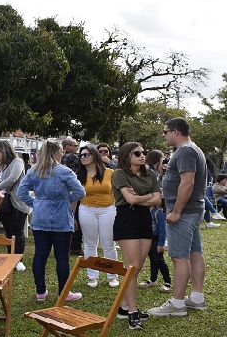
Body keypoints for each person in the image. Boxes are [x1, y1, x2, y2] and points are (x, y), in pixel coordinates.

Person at [148, 118, 208, 318]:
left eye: (165, 131)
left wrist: (176, 211)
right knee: (195, 253)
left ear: (175, 131)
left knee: (179, 257)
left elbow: (187, 183)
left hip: (184, 212)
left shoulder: (185, 151)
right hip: (192, 210)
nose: (163, 135)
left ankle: (177, 304)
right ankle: (197, 298)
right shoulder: (192, 149)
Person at [17, 141, 86, 303]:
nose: (62, 154)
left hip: (41, 217)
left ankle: (40, 291)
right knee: (62, 257)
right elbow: (80, 191)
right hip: (61, 217)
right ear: (56, 153)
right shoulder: (64, 171)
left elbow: (22, 193)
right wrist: (66, 200)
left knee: (40, 255)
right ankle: (64, 292)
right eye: (61, 151)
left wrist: (37, 203)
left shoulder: (34, 171)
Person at [112, 142, 162, 329]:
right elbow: (131, 200)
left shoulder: (151, 174)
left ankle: (124, 307)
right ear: (127, 156)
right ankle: (133, 311)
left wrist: (142, 198)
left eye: (144, 152)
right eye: (137, 153)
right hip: (126, 219)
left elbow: (158, 200)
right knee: (132, 266)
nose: (142, 156)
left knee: (138, 266)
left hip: (144, 220)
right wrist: (147, 196)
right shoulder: (119, 174)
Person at [75, 144, 119, 288]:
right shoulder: (78, 175)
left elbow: (118, 191)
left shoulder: (109, 173)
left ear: (94, 156)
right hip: (87, 209)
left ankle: (112, 275)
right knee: (89, 243)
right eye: (81, 155)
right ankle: (92, 276)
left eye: (86, 154)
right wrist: (73, 216)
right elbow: (75, 197)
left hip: (108, 209)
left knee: (109, 244)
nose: (82, 157)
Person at [0, 140, 29, 272]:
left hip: (18, 201)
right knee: (8, 230)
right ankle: (10, 257)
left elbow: (12, 179)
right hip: (5, 202)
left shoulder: (17, 162)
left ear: (3, 151)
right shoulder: (1, 165)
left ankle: (18, 260)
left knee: (17, 230)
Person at [139, 203, 173, 294]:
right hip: (148, 239)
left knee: (159, 260)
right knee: (153, 260)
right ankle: (153, 279)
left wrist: (161, 244)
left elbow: (162, 229)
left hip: (156, 240)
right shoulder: (145, 212)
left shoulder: (158, 213)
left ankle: (167, 282)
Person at [61, 137, 84, 256]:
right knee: (76, 218)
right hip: (75, 191)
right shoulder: (72, 157)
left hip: (67, 192)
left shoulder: (63, 158)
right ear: (67, 147)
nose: (77, 148)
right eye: (75, 146)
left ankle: (71, 246)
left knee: (72, 217)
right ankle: (75, 246)